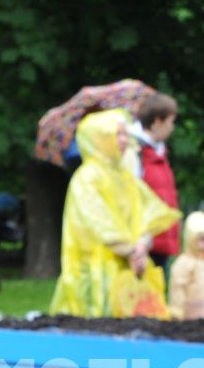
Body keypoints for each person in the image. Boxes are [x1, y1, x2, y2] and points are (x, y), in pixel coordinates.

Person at [48, 109, 177, 317]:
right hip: (96, 271)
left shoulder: (124, 176)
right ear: (100, 138)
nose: (125, 140)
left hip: (130, 267)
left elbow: (146, 212)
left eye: (125, 134)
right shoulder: (88, 178)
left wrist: (143, 243)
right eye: (118, 134)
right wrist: (131, 250)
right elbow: (99, 222)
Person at [126, 94, 182, 269]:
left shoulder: (159, 151)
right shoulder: (134, 152)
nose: (172, 127)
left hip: (160, 239)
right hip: (144, 242)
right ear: (157, 121)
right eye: (171, 122)